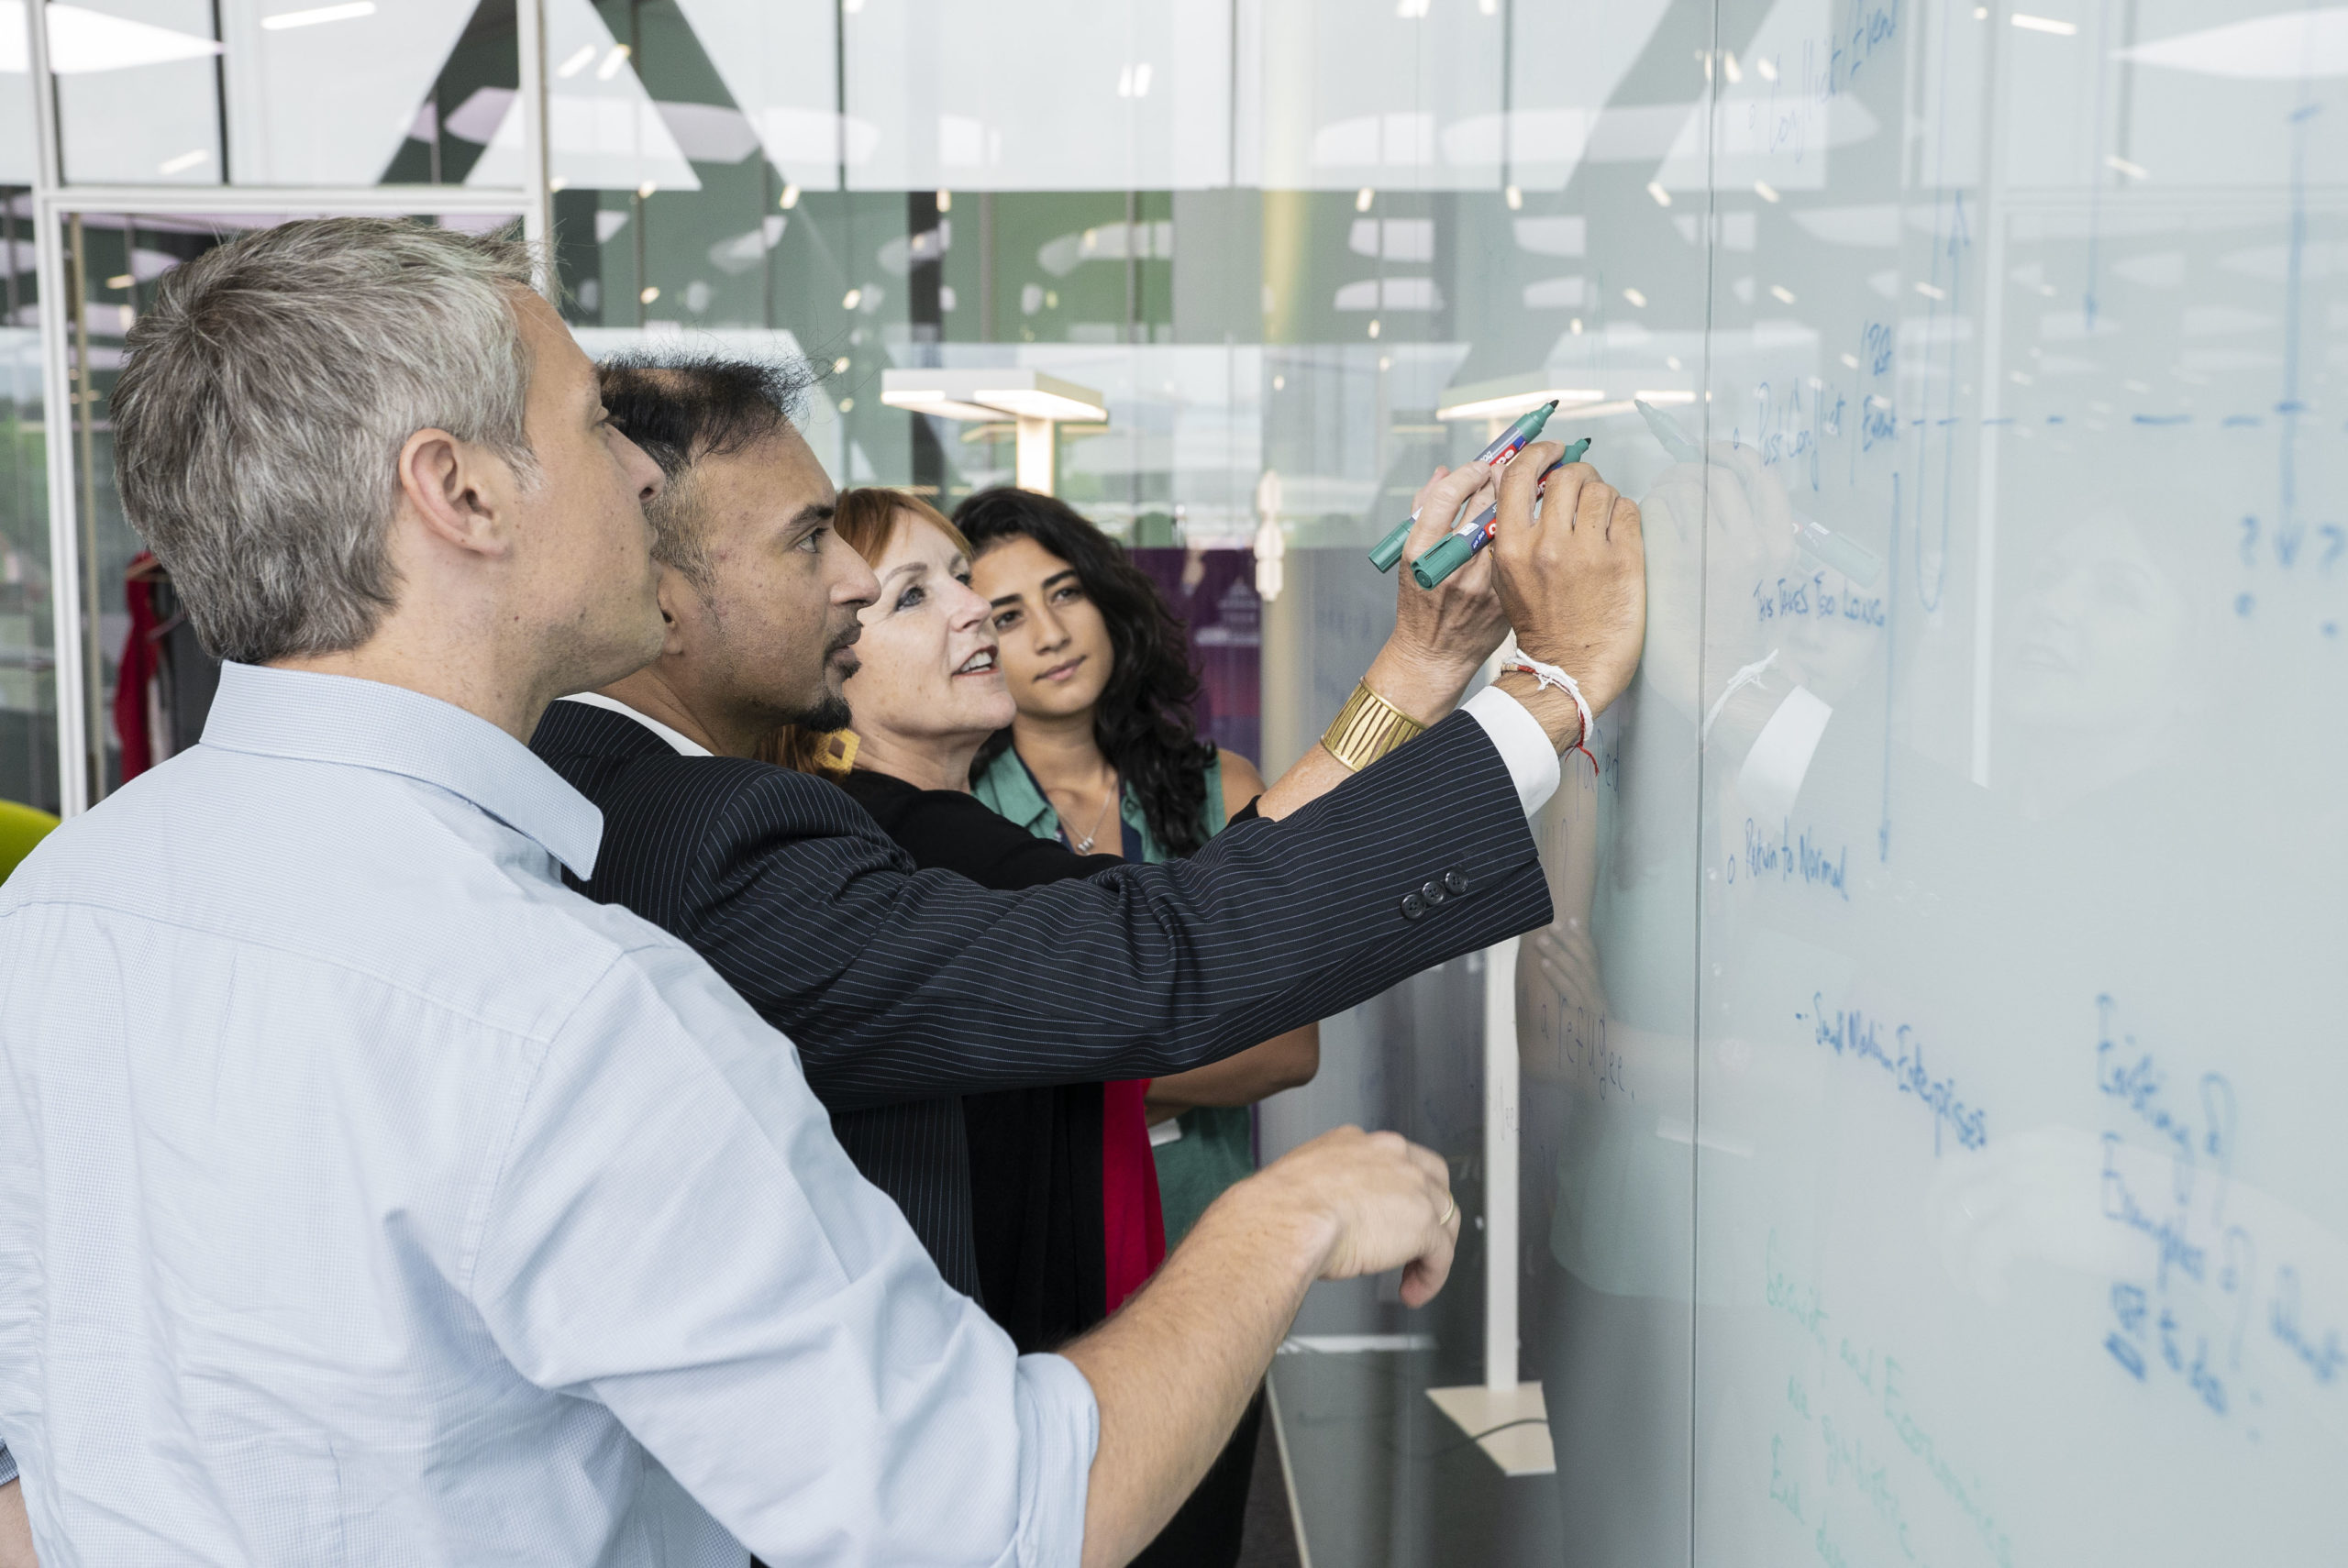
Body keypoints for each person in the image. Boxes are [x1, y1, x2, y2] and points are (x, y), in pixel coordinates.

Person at [0, 216, 1474, 1566]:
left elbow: (35, 1466)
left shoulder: (60, 906)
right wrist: (1278, 1224)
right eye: (592, 423)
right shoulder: (565, 1003)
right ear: (458, 491)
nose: (641, 476)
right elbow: (992, 1510)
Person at [528, 354, 1651, 1311]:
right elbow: (1169, 955)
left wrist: (1426, 663)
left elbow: (1183, 936)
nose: (857, 583)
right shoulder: (721, 828)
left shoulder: (635, 791)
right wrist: (1549, 691)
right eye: (811, 539)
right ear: (659, 590)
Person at [760, 490, 1327, 1565]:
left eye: (1050, 594)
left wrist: (1056, 1052)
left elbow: (1273, 1026)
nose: (989, 617)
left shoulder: (980, 821)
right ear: (832, 655)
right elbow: (1198, 955)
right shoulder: (901, 846)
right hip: (1005, 1327)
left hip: (1149, 1253)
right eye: (919, 595)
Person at [958, 487, 1312, 1261]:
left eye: (1065, 593)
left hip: (1209, 1240)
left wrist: (1071, 1077)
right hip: (1033, 1254)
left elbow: (1288, 1045)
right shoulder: (958, 818)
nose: (1052, 633)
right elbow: (965, 1067)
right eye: (1008, 616)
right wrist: (1195, 1049)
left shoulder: (1223, 787)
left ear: (1104, 598)